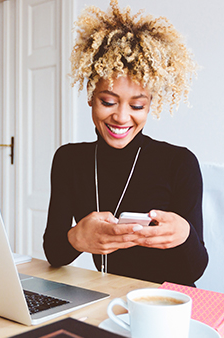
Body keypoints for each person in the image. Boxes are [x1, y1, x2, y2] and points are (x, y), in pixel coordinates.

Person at [43, 0, 208, 286]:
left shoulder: (179, 163)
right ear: (91, 98)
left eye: (137, 106)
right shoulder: (69, 160)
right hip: (106, 297)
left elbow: (194, 271)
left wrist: (184, 234)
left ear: (150, 105)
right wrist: (76, 237)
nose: (121, 117)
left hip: (165, 304)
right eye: (108, 101)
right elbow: (54, 253)